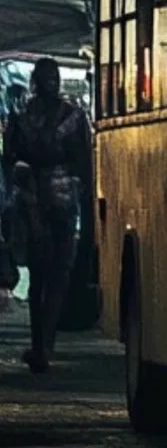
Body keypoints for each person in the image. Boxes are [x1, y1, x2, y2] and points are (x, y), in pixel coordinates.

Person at [1, 58, 92, 373]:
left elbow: (10, 159)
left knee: (42, 276)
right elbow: (84, 162)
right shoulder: (73, 117)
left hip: (34, 204)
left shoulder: (22, 118)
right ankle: (44, 344)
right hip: (61, 202)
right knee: (54, 276)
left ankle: (41, 344)